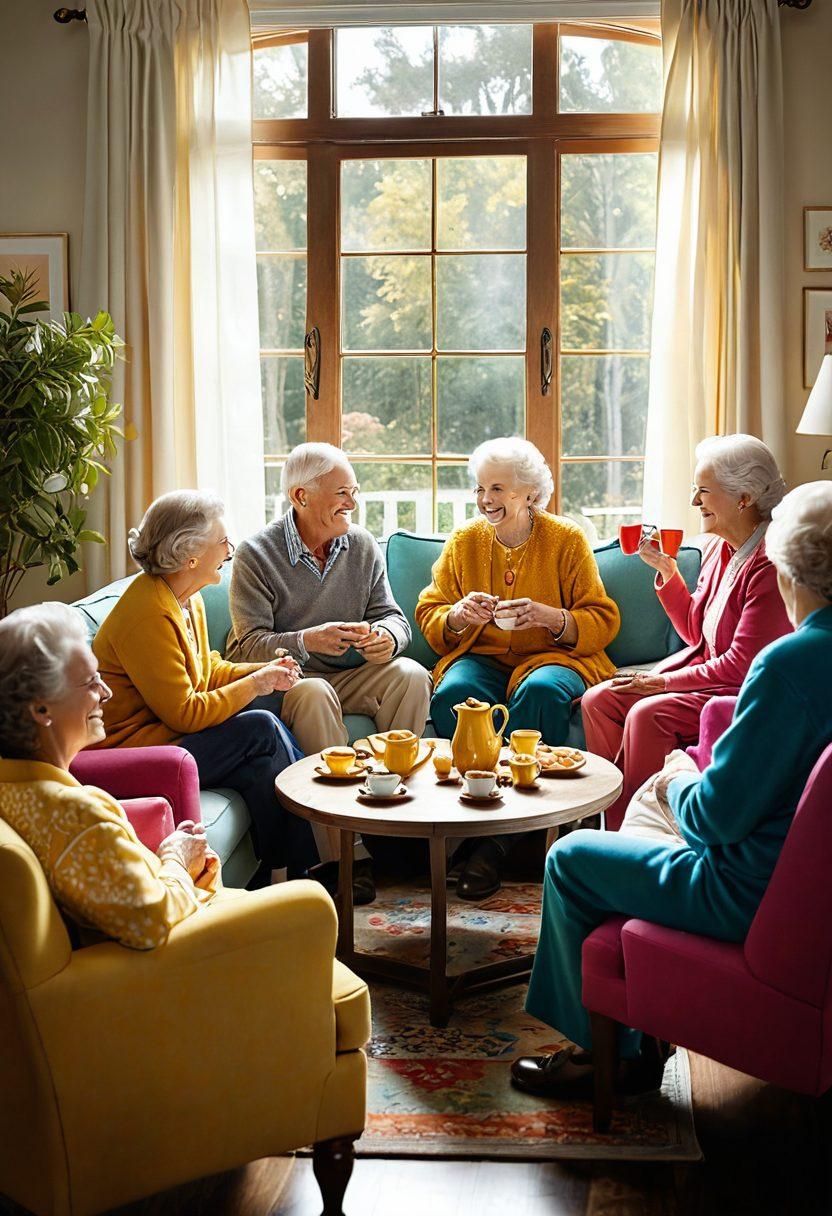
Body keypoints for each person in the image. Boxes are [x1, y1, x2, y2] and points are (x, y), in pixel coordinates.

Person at [512, 481, 832, 1101]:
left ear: (790, 569)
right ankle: (632, 1021)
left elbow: (715, 819)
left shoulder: (792, 662)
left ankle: (598, 1055)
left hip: (743, 889)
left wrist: (681, 777)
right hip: (797, 878)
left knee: (571, 859)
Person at [416, 437, 619, 900]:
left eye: (497, 489)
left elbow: (603, 618)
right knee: (453, 693)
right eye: (479, 488)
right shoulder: (464, 540)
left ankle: (497, 841)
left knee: (543, 692)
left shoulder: (566, 539)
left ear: (529, 494)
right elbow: (430, 612)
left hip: (554, 657)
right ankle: (474, 814)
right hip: (482, 657)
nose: (485, 499)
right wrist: (458, 615)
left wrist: (554, 618)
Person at [226, 443, 432, 890]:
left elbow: (393, 617)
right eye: (342, 492)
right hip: (290, 679)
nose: (353, 503)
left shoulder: (360, 545)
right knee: (315, 692)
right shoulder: (255, 554)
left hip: (350, 674)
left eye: (354, 491)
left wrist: (388, 640)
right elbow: (246, 649)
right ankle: (343, 855)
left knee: (412, 677)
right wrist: (305, 641)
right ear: (301, 496)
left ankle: (394, 832)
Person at [92, 490, 318, 884]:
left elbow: (205, 670)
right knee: (261, 726)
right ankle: (310, 869)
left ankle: (282, 876)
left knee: (261, 761)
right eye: (222, 541)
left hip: (167, 737)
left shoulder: (183, 598)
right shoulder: (147, 614)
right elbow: (185, 712)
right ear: (190, 555)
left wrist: (262, 670)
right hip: (135, 753)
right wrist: (256, 683)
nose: (229, 549)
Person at [582, 434, 792, 829]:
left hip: (736, 690)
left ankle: (641, 828)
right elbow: (696, 631)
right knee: (600, 700)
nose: (695, 501)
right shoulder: (720, 548)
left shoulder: (768, 563)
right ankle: (613, 818)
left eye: (704, 491)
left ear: (743, 498)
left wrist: (660, 685)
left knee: (647, 713)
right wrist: (668, 572)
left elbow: (738, 668)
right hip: (706, 677)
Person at [0, 603, 222, 949]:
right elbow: (151, 920)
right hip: (194, 957)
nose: (107, 693)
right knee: (309, 903)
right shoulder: (79, 816)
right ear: (42, 709)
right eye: (91, 683)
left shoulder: (15, 789)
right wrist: (176, 858)